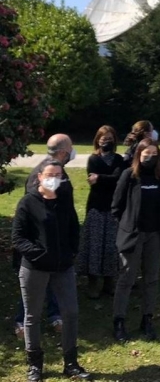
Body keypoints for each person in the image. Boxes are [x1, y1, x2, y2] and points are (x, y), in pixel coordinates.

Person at [13, 160, 91, 380]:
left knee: (71, 312)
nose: (54, 178)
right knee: (32, 316)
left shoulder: (65, 200)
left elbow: (74, 228)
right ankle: (35, 366)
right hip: (34, 268)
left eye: (58, 174)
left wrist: (71, 252)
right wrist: (39, 255)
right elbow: (18, 238)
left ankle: (71, 363)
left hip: (63, 267)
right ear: (39, 176)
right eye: (49, 174)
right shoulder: (28, 202)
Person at [15, 133, 75, 341]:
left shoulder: (55, 171)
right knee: (32, 290)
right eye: (70, 149)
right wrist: (37, 251)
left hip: (57, 249)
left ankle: (54, 315)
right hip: (38, 250)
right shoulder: (42, 174)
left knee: (51, 285)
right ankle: (21, 322)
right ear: (63, 152)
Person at [111, 138, 160, 342]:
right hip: (133, 235)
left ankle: (147, 319)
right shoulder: (129, 175)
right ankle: (119, 321)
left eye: (154, 155)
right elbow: (116, 207)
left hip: (154, 234)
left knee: (151, 279)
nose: (150, 158)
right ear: (138, 155)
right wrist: (127, 226)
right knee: (127, 279)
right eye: (146, 154)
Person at [77, 125, 124, 299]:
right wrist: (107, 180)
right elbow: (93, 180)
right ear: (97, 140)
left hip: (113, 208)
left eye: (110, 139)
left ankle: (109, 282)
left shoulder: (119, 159)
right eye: (103, 139)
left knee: (112, 246)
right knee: (95, 245)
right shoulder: (93, 159)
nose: (106, 142)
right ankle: (93, 283)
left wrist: (101, 178)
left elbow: (118, 179)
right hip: (96, 207)